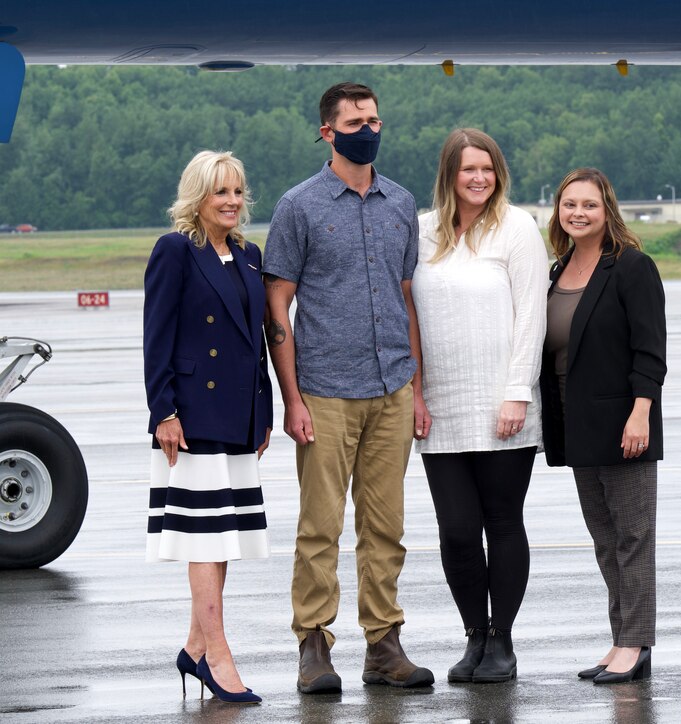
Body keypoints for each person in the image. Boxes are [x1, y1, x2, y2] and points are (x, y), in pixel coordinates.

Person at [263, 82, 434, 691]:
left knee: (385, 526)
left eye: (376, 119)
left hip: (391, 388)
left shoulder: (400, 203)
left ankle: (384, 644)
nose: (370, 128)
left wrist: (415, 387)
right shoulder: (299, 206)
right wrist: (292, 397)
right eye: (356, 120)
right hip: (326, 392)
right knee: (320, 528)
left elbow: (407, 298)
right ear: (328, 132)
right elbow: (277, 304)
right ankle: (313, 644)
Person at [412, 128, 548, 683]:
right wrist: (416, 392)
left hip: (503, 405)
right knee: (458, 532)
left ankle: (502, 641)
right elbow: (411, 320)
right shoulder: (421, 230)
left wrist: (518, 390)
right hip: (441, 407)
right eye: (468, 168)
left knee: (502, 523)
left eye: (487, 168)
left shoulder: (516, 227)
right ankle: (474, 634)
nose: (478, 178)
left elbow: (531, 315)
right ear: (449, 173)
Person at [143, 150, 272, 705]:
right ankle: (219, 657)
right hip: (192, 418)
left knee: (225, 539)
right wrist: (164, 411)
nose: (232, 202)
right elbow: (157, 336)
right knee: (204, 539)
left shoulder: (248, 255)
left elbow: (256, 340)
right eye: (221, 192)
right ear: (197, 196)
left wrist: (262, 411)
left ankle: (195, 648)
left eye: (238, 192)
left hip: (239, 416)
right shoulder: (175, 250)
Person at [540, 168, 667, 684]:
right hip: (576, 421)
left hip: (623, 421)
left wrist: (641, 412)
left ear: (606, 209)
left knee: (633, 537)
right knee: (604, 538)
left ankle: (635, 643)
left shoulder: (632, 267)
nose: (578, 213)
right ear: (559, 211)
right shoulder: (558, 270)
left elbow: (651, 350)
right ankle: (621, 639)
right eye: (570, 204)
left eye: (589, 205)